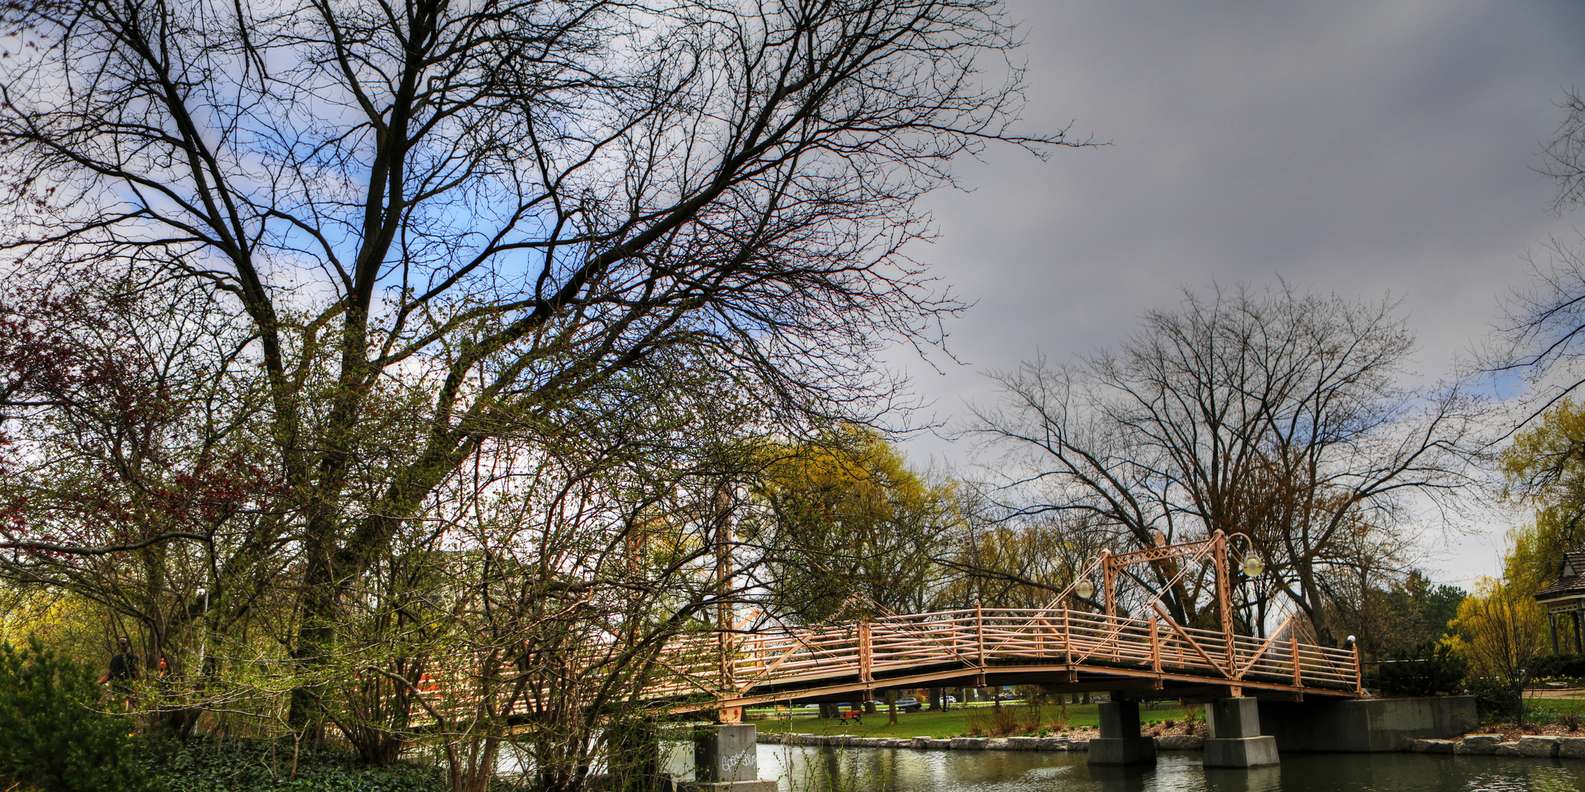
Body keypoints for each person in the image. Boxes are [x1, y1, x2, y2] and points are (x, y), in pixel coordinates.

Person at [98, 636, 138, 708]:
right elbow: (110, 675)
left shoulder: (133, 658)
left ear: (128, 644)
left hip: (130, 692)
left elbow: (137, 676)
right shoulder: (115, 659)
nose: (122, 645)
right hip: (118, 692)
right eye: (120, 644)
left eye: (123, 643)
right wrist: (98, 683)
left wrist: (137, 691)